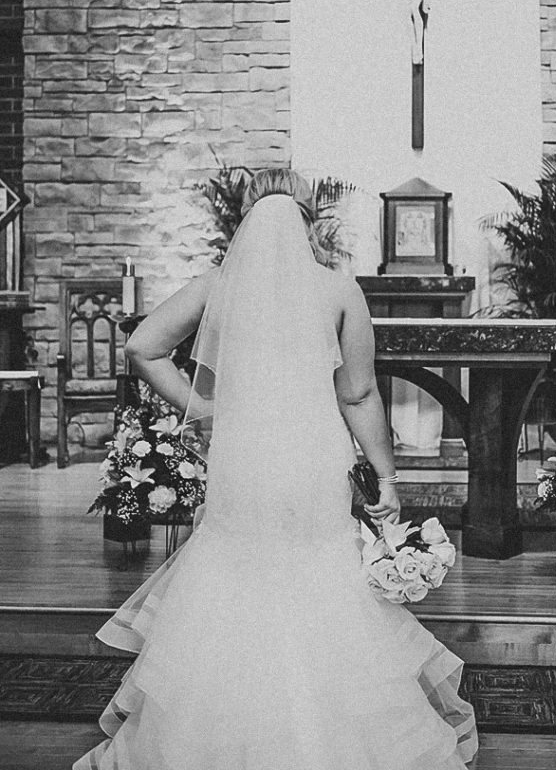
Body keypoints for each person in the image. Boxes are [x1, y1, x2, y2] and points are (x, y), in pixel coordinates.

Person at [74, 168, 478, 770]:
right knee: (321, 573)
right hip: (313, 458)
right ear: (308, 221)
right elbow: (360, 395)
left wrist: (203, 408)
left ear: (245, 222)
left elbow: (142, 348)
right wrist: (387, 480)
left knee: (234, 572)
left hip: (244, 458)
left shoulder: (218, 285)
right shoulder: (338, 289)